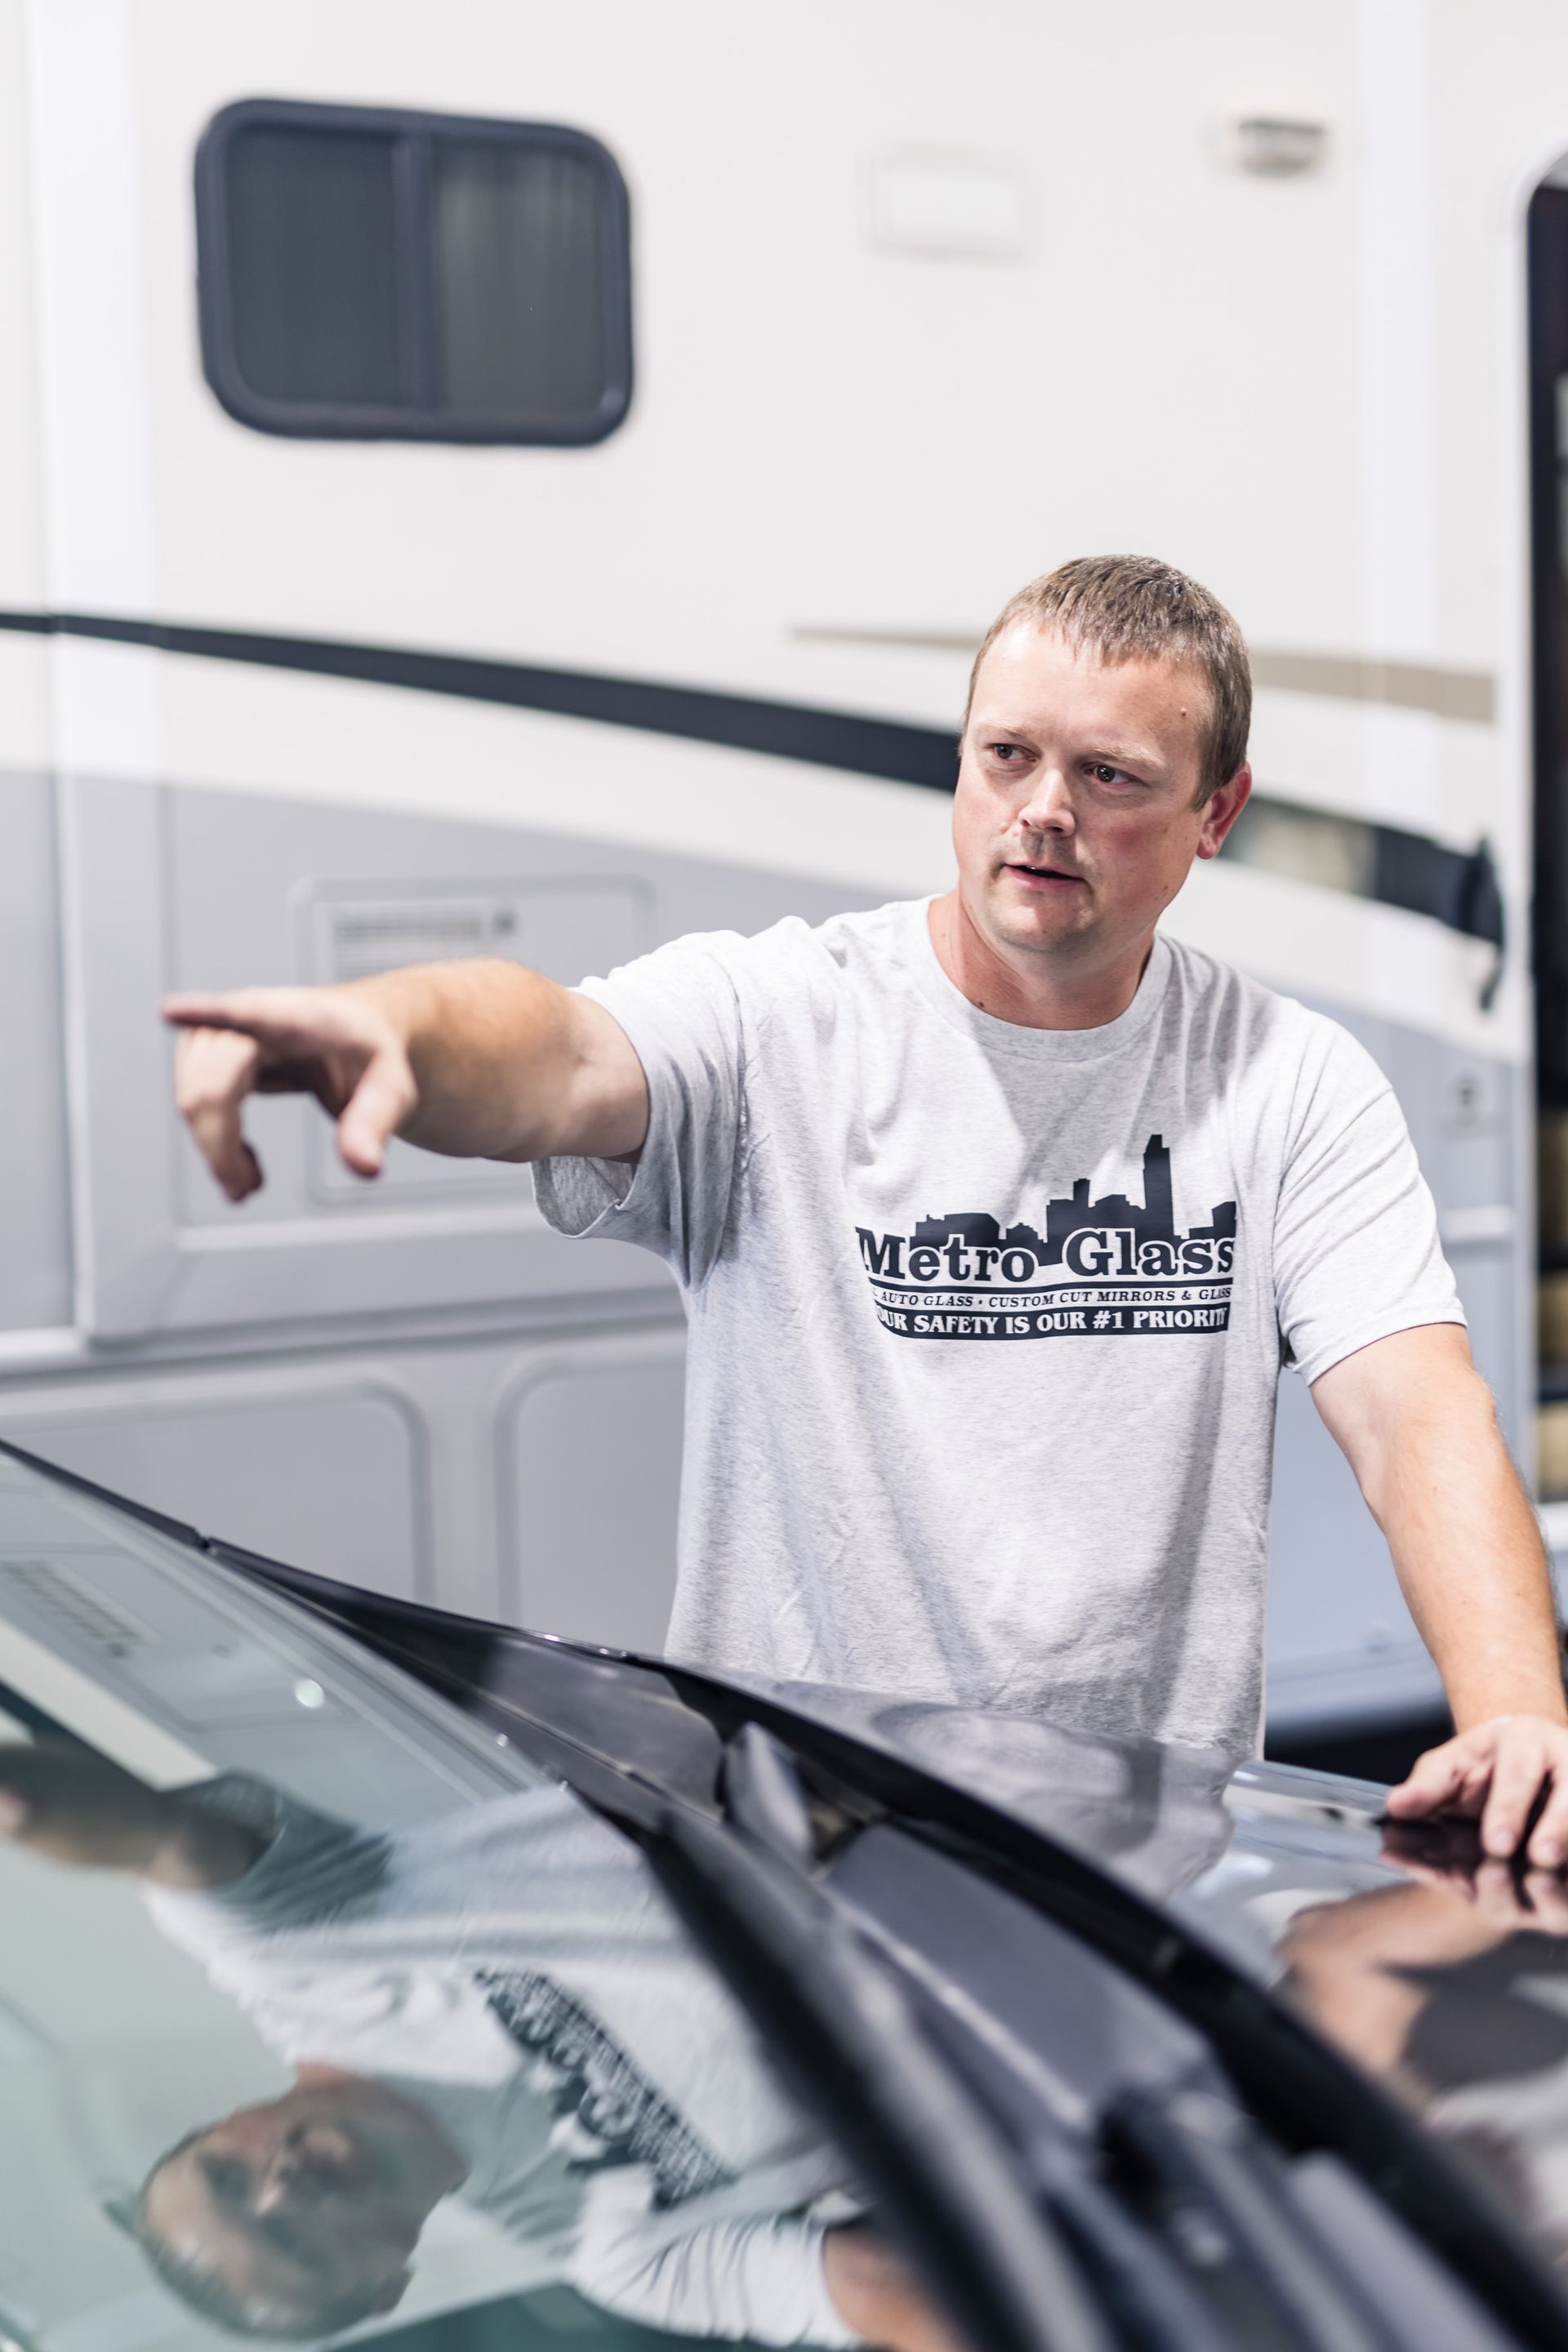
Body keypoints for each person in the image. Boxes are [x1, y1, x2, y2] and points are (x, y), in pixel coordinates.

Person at [164, 555, 1568, 1860]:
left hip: (1136, 1891)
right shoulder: (787, 1019)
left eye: (1110, 774)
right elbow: (561, 1053)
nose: (1044, 808)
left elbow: (1415, 1411)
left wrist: (1517, 1713)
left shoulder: (1290, 1080)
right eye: (1006, 755)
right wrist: (396, 1025)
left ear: (1217, 815)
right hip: (799, 1855)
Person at [0, 1744, 943, 2347]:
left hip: (883, 1758)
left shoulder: (293, 1949)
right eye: (289, 2242)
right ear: (385, 2287)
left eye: (227, 2177)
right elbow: (880, 2295)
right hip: (1018, 1930)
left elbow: (153, 1832)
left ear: (220, 2122)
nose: (280, 2190)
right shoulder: (627, 2256)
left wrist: (21, 1804)